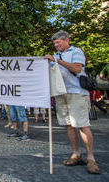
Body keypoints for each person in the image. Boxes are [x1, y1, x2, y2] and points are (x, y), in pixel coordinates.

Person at [45, 30, 100, 174]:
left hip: (76, 92)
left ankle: (91, 158)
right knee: (68, 125)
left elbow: (77, 68)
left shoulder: (76, 51)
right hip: (61, 93)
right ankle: (76, 154)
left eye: (58, 42)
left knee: (82, 125)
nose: (56, 45)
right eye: (54, 43)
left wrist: (57, 61)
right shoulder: (55, 56)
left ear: (66, 40)